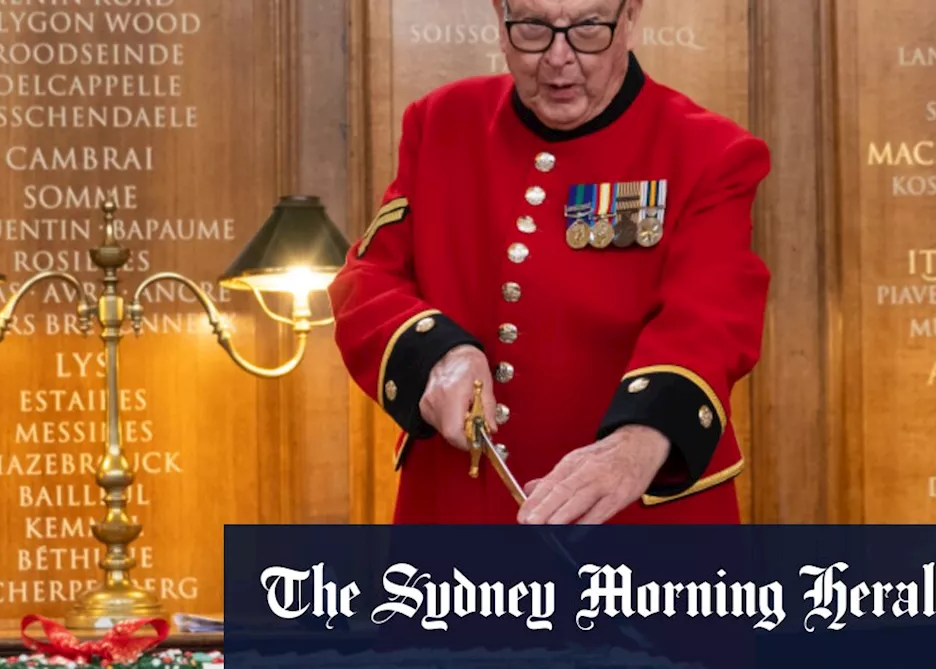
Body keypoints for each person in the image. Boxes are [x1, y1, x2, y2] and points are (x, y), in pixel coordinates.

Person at [327, 0, 771, 525]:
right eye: (534, 27)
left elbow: (712, 317)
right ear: (500, 16)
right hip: (460, 513)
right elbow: (367, 278)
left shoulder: (710, 151)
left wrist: (637, 443)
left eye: (588, 28)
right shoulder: (441, 122)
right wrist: (437, 353)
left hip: (638, 519)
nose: (559, 58)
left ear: (630, 16)